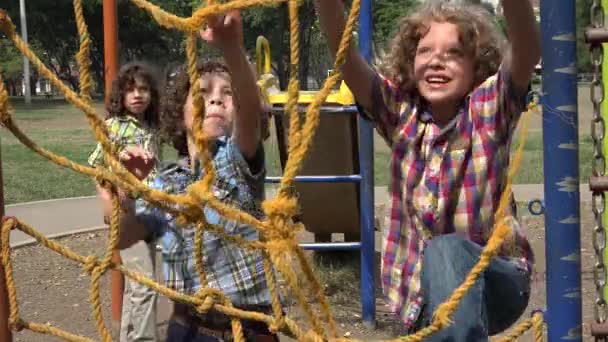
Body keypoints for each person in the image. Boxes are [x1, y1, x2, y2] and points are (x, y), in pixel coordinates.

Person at [314, 0, 540, 340]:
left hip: (497, 280)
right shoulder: (400, 117)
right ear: (409, 62)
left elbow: (526, 47)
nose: (436, 60)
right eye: (425, 51)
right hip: (417, 294)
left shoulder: (488, 112)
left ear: (477, 65)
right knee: (440, 261)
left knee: (447, 249)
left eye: (453, 53)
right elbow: (346, 59)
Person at [98, 10, 279, 342]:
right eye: (203, 91)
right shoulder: (164, 182)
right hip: (187, 329)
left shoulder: (237, 160)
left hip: (249, 329)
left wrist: (232, 50)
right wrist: (121, 199)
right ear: (179, 116)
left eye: (227, 93)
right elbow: (124, 237)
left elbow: (250, 113)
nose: (215, 98)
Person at [88, 62, 161, 342]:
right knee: (146, 282)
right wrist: (107, 198)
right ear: (121, 95)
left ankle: (128, 337)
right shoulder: (113, 126)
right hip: (126, 211)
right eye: (130, 89)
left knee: (137, 283)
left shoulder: (151, 127)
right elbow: (96, 165)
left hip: (151, 210)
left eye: (143, 89)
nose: (137, 95)